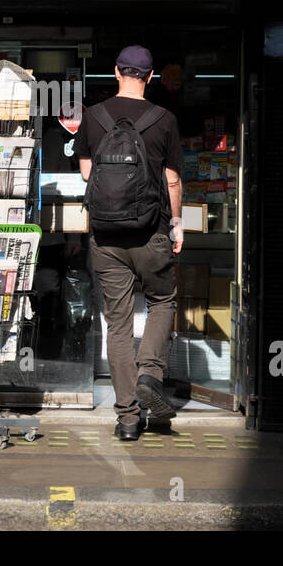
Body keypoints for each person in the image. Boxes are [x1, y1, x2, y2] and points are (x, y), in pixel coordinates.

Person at [76, 45, 183, 441]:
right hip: (152, 231)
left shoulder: (94, 116)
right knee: (162, 301)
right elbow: (171, 179)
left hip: (105, 236)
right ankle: (150, 374)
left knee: (117, 325)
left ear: (117, 72)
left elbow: (88, 173)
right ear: (150, 77)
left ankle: (127, 419)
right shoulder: (165, 119)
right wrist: (177, 223)